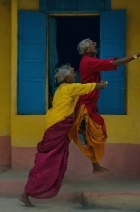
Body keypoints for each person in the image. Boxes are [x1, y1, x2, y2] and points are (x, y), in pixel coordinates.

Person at [19, 64, 108, 207]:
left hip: (55, 122)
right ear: (67, 77)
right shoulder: (69, 88)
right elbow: (88, 87)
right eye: (73, 73)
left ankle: (95, 165)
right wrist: (103, 84)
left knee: (51, 159)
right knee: (47, 161)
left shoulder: (60, 89)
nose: (75, 75)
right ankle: (26, 193)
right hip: (58, 124)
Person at [69, 38, 140, 174]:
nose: (95, 45)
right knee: (94, 133)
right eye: (93, 45)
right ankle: (80, 140)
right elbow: (116, 63)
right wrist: (138, 54)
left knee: (92, 135)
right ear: (87, 50)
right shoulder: (89, 62)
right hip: (85, 106)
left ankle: (94, 163)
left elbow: (116, 61)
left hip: (89, 105)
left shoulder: (89, 61)